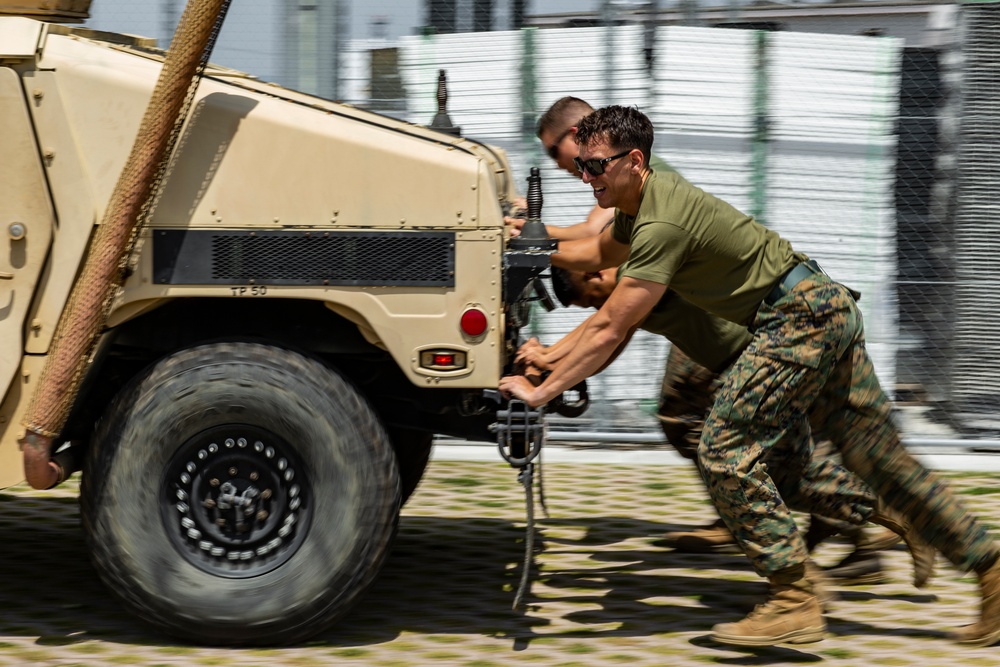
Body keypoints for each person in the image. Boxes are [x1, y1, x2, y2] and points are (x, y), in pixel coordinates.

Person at [499, 104, 1000, 647]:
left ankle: (793, 599)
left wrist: (541, 390)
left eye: (594, 166)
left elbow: (610, 326)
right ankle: (991, 569)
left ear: (633, 160)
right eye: (582, 165)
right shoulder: (637, 200)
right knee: (878, 461)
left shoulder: (661, 219)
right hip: (821, 308)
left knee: (724, 447)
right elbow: (595, 250)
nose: (582, 176)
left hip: (797, 320)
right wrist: (530, 239)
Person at [516, 97, 903, 577]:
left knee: (742, 443)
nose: (565, 166)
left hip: (731, 328)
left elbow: (606, 297)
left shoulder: (634, 182)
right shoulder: (617, 180)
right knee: (718, 430)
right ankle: (800, 524)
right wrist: (533, 239)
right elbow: (601, 278)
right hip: (716, 326)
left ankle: (851, 526)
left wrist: (531, 240)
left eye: (561, 152)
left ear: (577, 133)